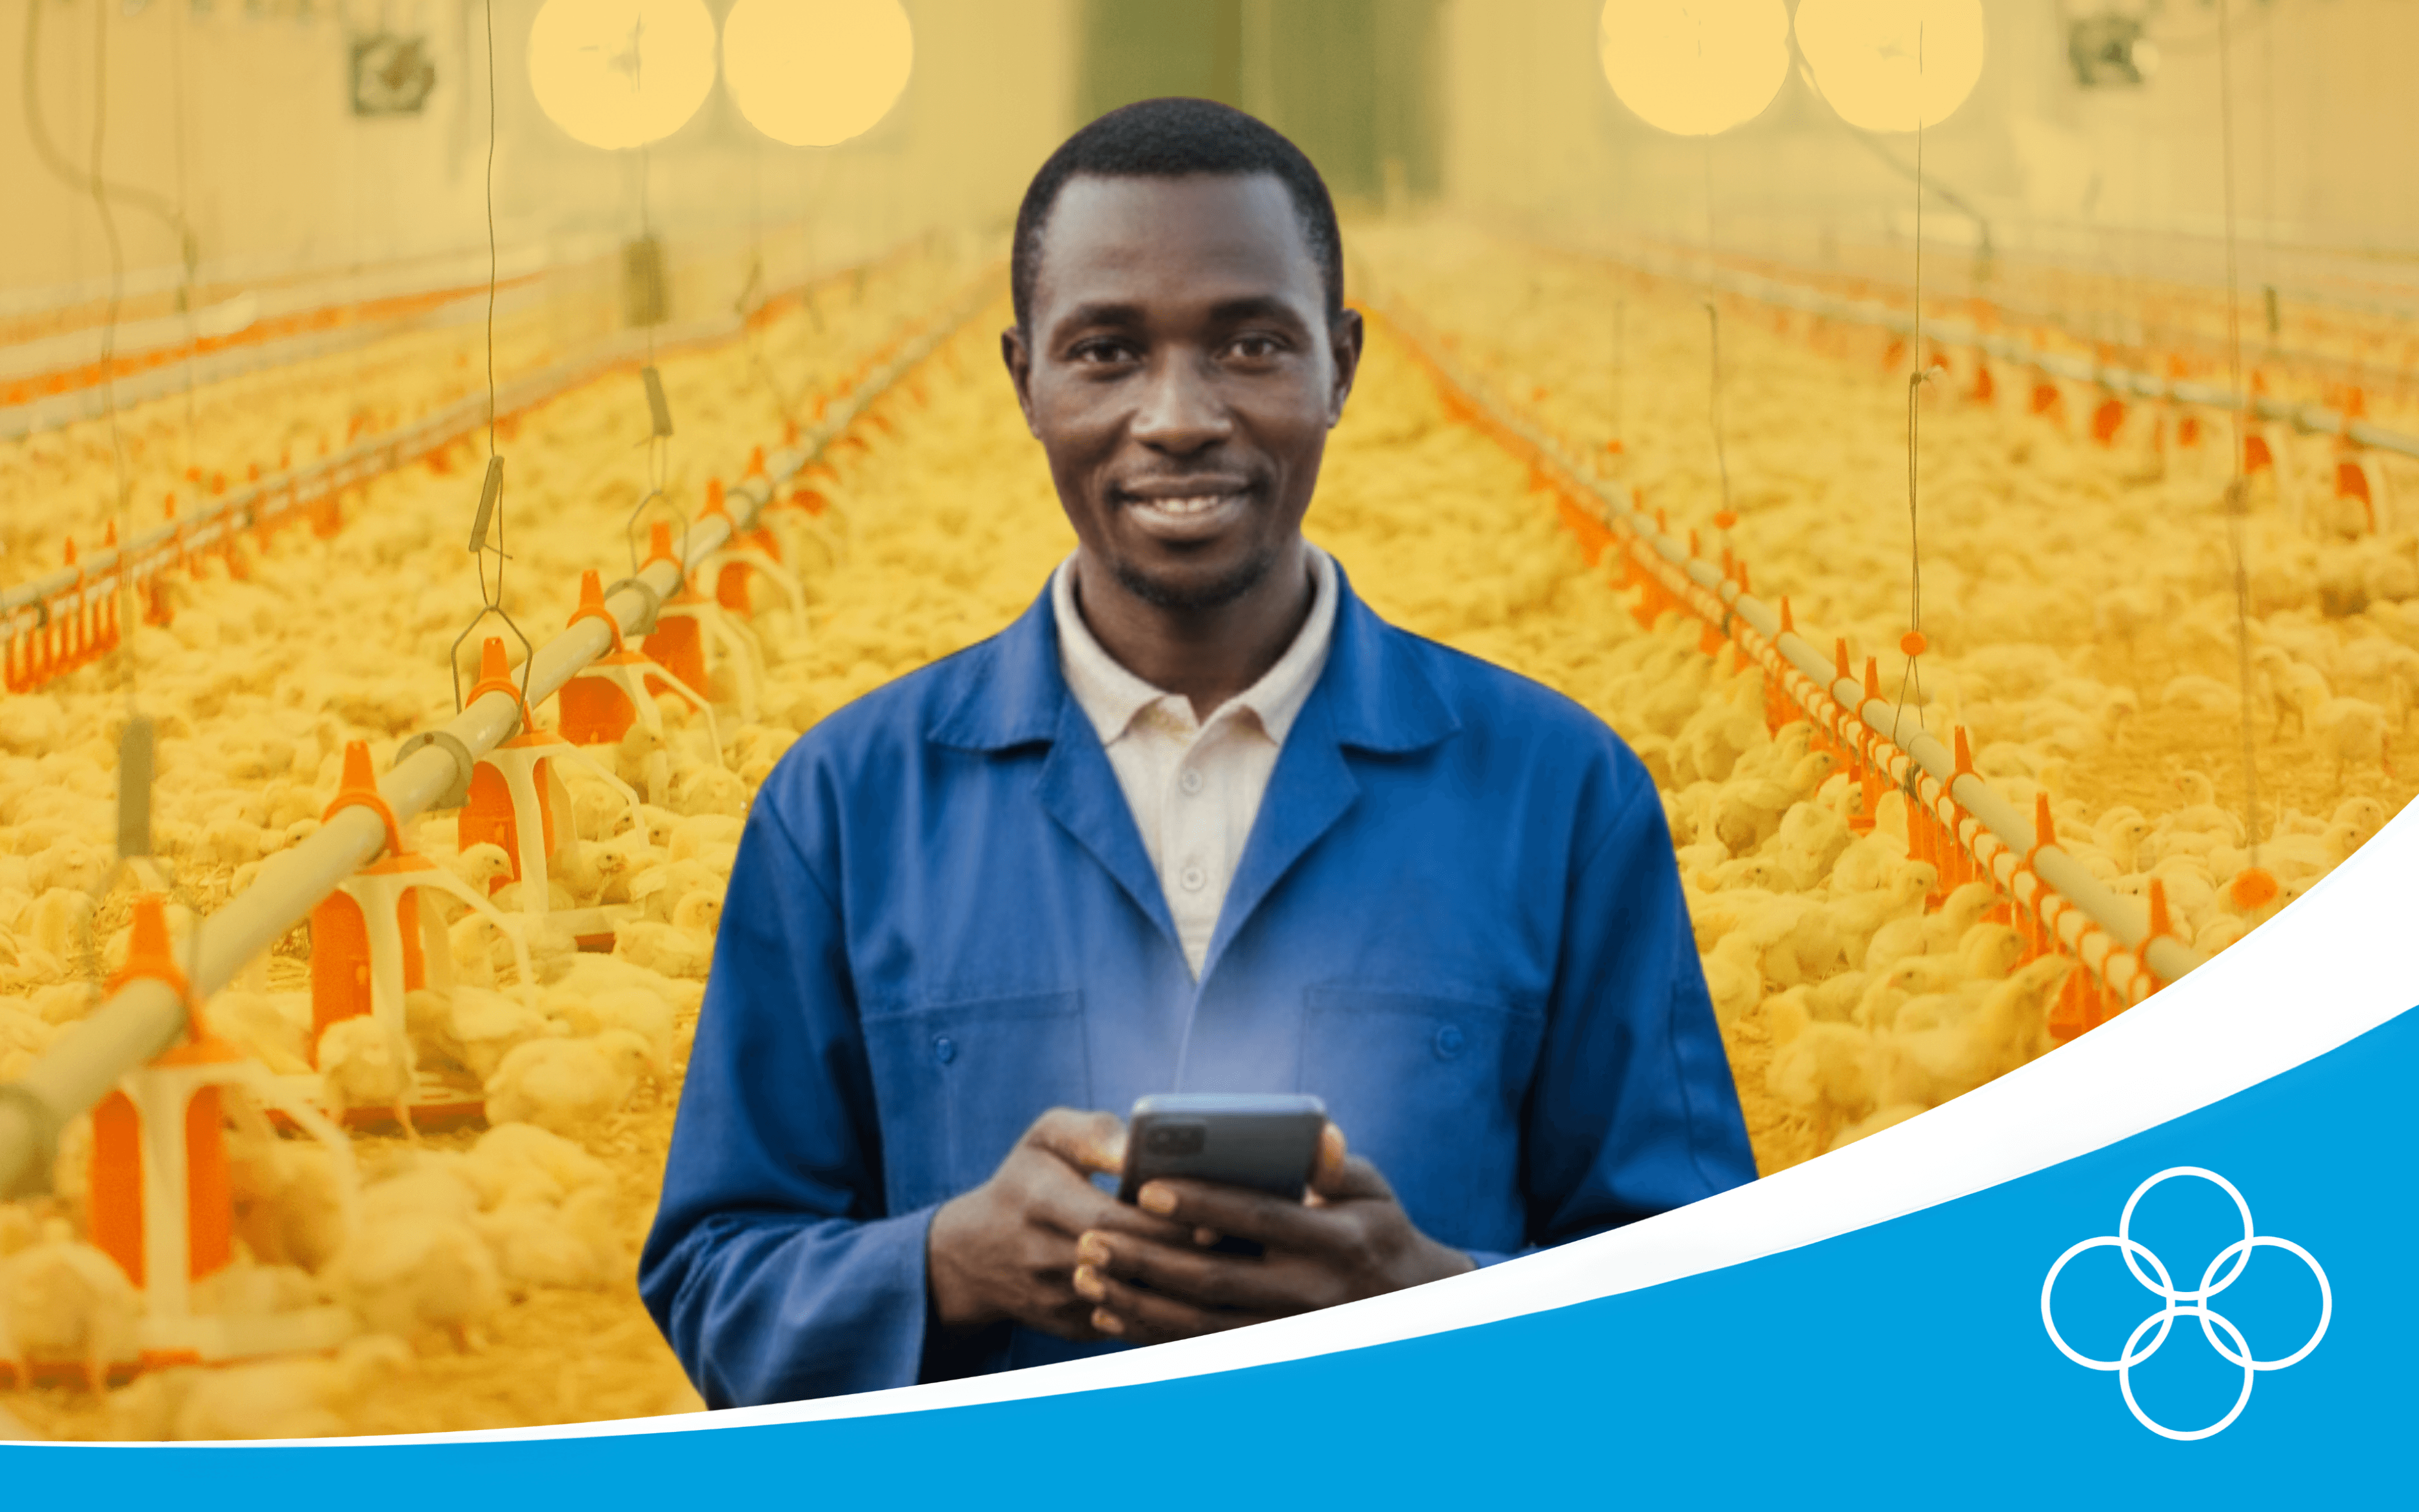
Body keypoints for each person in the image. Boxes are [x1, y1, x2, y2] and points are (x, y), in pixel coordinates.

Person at [639, 97, 1754, 1409]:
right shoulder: (846, 808)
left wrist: (1428, 1295)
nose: (1177, 416)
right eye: (1106, 351)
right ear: (1025, 380)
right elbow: (716, 1277)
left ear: (1341, 364)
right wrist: (948, 1262)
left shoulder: (1557, 797)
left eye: (1250, 345)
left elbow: (1706, 1308)